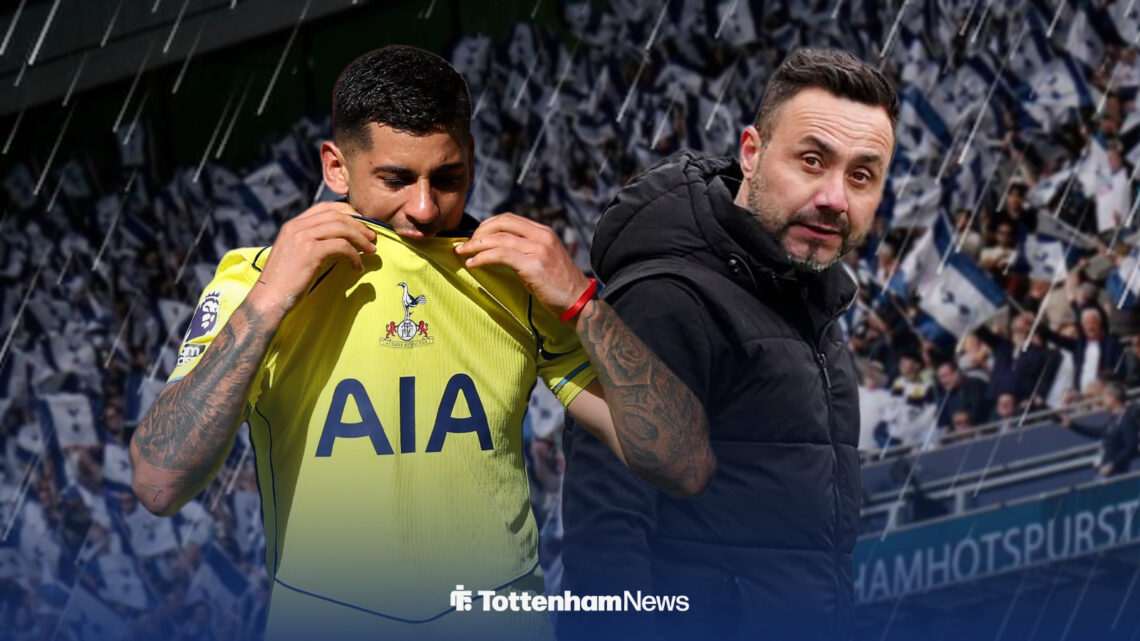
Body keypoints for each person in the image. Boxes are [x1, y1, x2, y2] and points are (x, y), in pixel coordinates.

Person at [129, 45, 713, 641]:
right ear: (336, 168)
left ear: (474, 160)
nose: (425, 207)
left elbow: (683, 463)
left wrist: (584, 304)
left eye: (449, 177)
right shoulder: (257, 281)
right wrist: (269, 301)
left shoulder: (514, 276)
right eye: (396, 179)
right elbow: (158, 482)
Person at [559, 48, 897, 641]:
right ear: (751, 152)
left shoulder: (810, 301)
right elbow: (606, 534)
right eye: (812, 161)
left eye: (861, 175)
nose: (835, 198)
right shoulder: (667, 299)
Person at [1059, 380, 1140, 477]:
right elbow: (1097, 432)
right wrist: (1072, 425)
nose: (1103, 400)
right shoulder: (1114, 420)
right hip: (1107, 472)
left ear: (1113, 398)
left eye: (1105, 397)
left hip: (1116, 473)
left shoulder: (1126, 419)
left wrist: (1112, 464)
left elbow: (1131, 446)